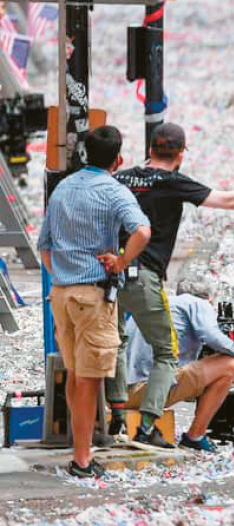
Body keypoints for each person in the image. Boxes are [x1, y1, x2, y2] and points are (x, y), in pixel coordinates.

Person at [104, 123, 234, 447]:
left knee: (117, 343)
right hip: (144, 276)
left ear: (149, 150)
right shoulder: (173, 182)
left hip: (112, 274)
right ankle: (148, 426)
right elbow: (228, 200)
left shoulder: (121, 179)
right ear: (180, 155)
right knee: (166, 351)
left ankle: (117, 412)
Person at [38, 127, 152, 479]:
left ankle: (81, 451)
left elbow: (44, 245)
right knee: (89, 381)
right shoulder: (114, 191)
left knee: (75, 376)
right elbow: (142, 231)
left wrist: (61, 275)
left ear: (85, 153)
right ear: (118, 159)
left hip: (61, 293)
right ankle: (83, 459)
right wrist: (120, 261)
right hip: (92, 295)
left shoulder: (63, 189)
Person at [122, 285, 234, 452]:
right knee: (229, 365)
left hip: (120, 394)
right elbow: (211, 336)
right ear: (208, 298)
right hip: (145, 391)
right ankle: (195, 436)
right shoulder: (195, 303)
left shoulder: (160, 305)